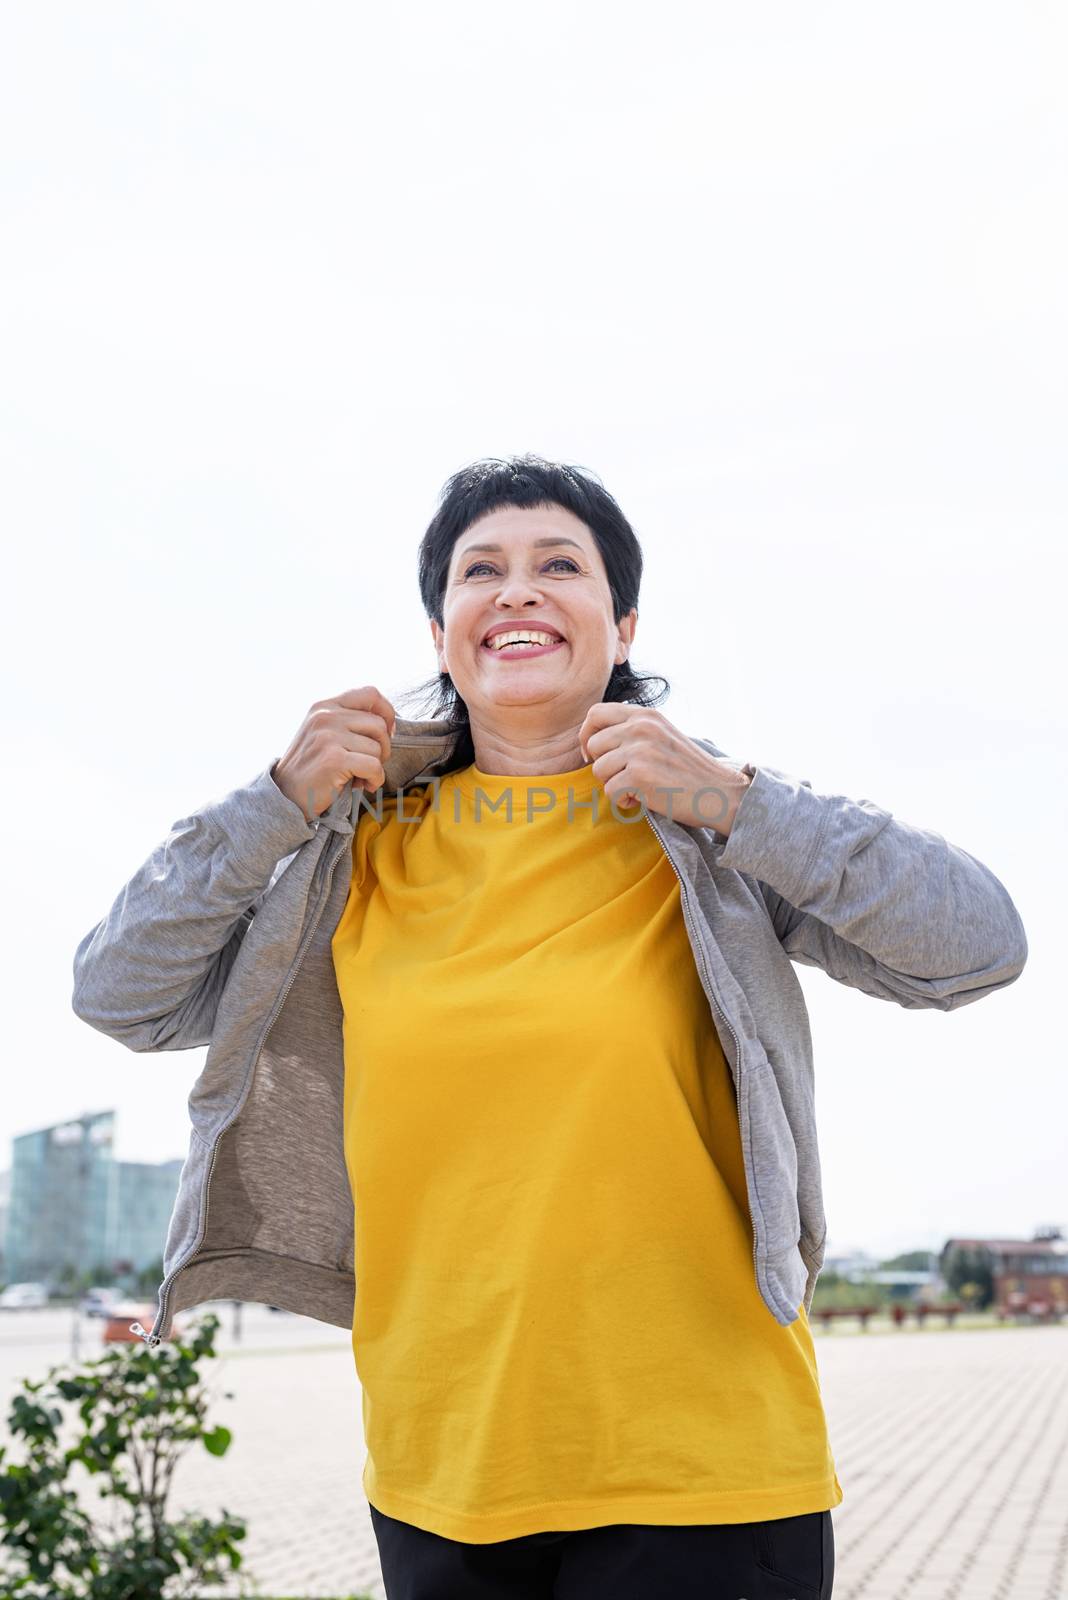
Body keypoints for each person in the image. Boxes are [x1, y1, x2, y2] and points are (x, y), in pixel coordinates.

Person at [72, 454, 1027, 1600]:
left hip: (707, 1476)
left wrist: (735, 797)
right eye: (483, 570)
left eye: (558, 565)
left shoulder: (709, 835)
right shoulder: (352, 848)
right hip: (442, 1477)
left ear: (621, 623)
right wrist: (272, 802)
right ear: (442, 634)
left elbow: (979, 946)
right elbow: (121, 990)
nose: (517, 589)